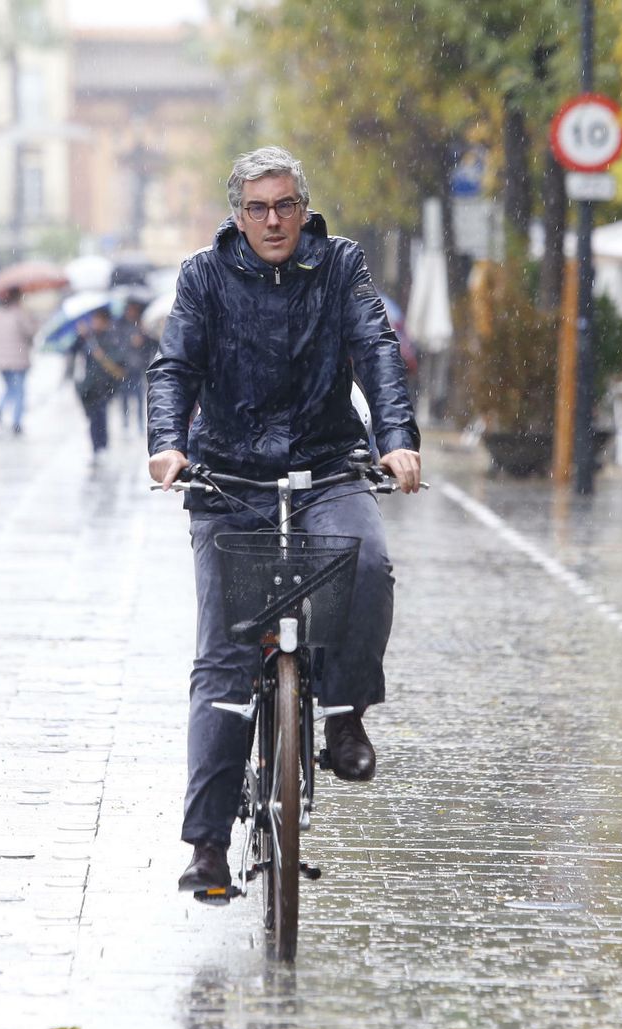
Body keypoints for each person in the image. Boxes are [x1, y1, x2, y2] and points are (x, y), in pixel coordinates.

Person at [147, 146, 421, 894]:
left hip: (328, 465)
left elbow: (377, 350)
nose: (273, 220)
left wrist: (395, 440)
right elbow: (175, 366)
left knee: (367, 564)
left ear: (305, 207)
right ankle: (206, 844)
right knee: (227, 657)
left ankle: (343, 711)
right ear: (237, 215)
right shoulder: (204, 276)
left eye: (286, 206)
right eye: (258, 208)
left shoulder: (341, 267)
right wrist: (168, 446)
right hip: (229, 476)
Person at [69, 307, 127, 455]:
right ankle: (97, 446)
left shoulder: (111, 337)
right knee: (92, 417)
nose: (95, 323)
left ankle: (101, 446)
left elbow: (118, 360)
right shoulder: (88, 337)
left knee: (99, 416)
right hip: (88, 386)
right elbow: (72, 350)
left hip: (104, 385)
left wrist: (101, 355)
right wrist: (80, 335)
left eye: (98, 320)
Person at [0, 286, 39, 436]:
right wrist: (32, 319)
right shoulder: (20, 314)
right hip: (18, 360)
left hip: (1, 361)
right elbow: (31, 331)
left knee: (10, 389)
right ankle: (17, 423)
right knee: (19, 392)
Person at [110, 295, 155, 432]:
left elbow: (151, 345)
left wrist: (143, 338)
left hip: (139, 365)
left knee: (139, 396)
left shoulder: (142, 324)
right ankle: (126, 423)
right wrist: (130, 342)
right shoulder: (119, 325)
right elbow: (116, 344)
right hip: (124, 366)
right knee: (124, 396)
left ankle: (140, 424)